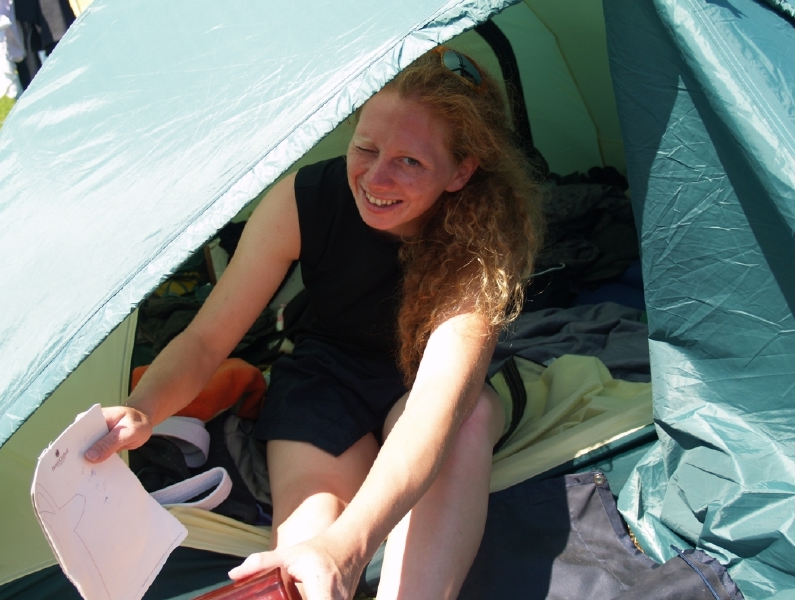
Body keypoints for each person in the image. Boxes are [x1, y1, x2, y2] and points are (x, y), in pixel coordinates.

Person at [85, 46, 543, 600]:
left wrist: (350, 547)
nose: (376, 178)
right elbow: (206, 339)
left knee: (467, 421)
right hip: (327, 380)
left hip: (426, 388)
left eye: (410, 162)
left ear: (460, 171)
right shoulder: (304, 201)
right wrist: (145, 407)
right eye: (366, 148)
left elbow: (435, 405)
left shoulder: (482, 238)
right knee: (305, 558)